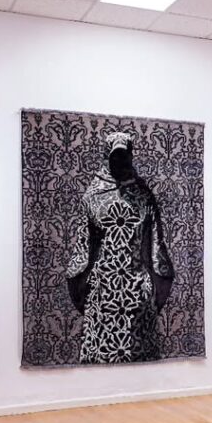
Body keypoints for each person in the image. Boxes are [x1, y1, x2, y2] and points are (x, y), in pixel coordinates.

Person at [66, 131, 174, 363]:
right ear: (106, 156)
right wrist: (80, 285)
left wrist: (155, 286)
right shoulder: (93, 196)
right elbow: (83, 251)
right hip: (103, 291)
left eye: (123, 156)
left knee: (140, 364)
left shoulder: (143, 196)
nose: (119, 161)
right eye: (115, 156)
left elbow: (157, 249)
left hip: (136, 292)